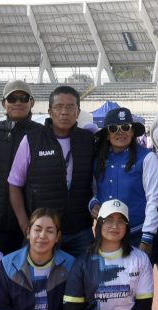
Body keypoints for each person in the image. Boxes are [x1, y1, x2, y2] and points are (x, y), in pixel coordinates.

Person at [9, 85, 97, 258]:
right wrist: (25, 224)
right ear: (50, 111)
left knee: (84, 275)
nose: (64, 112)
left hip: (80, 231)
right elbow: (14, 184)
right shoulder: (32, 140)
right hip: (43, 231)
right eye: (58, 107)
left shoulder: (88, 141)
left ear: (78, 112)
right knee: (40, 275)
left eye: (70, 107)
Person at [62, 199, 154, 310]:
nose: (115, 226)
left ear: (127, 227)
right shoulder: (83, 262)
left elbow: (143, 307)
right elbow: (72, 309)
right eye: (109, 220)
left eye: (121, 221)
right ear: (100, 224)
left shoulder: (140, 259)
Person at [90, 107, 158, 253]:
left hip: (137, 234)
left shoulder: (147, 158)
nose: (120, 132)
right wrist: (93, 204)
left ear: (132, 131)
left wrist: (147, 237)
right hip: (106, 234)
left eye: (125, 127)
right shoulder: (98, 159)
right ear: (107, 135)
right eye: (113, 128)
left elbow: (155, 198)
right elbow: (92, 190)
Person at [0, 80, 46, 254]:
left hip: (28, 220)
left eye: (23, 98)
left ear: (32, 102)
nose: (18, 103)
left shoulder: (41, 133)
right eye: (12, 98)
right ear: (3, 103)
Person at [0, 207, 76, 310]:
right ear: (28, 232)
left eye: (50, 231)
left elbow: (70, 308)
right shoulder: (8, 264)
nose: (42, 235)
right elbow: (1, 308)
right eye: (37, 229)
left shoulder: (70, 264)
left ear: (57, 237)